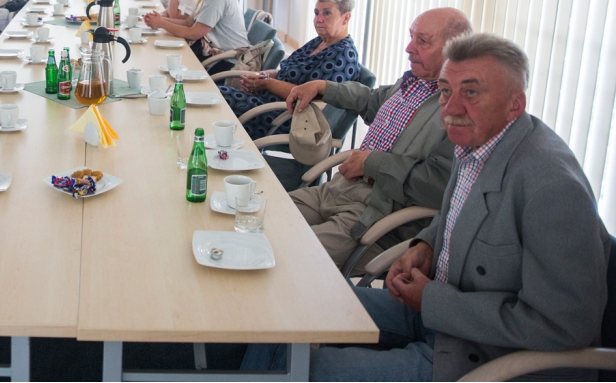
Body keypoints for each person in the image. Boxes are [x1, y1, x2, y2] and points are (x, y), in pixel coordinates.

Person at [245, 34, 611, 380]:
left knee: (302, 369)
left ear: (516, 103)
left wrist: (433, 299)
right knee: (289, 301)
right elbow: (453, 215)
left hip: (485, 355)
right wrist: (426, 245)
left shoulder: (553, 187)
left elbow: (565, 326)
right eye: (446, 91)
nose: (451, 108)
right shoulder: (478, 143)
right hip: (439, 317)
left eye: (471, 92)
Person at [284, 8, 472, 269]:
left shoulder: (458, 113)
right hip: (338, 188)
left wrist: (371, 163)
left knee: (286, 255)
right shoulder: (412, 82)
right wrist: (322, 87)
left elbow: (439, 184)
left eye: (422, 41)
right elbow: (371, 100)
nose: (409, 47)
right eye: (411, 36)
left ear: (456, 48)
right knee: (263, 219)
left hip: (373, 214)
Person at [221, 0, 360, 143]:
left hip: (285, 118)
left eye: (327, 13)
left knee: (221, 98)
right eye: (316, 13)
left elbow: (310, 98)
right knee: (217, 97)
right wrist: (264, 76)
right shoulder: (319, 42)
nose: (318, 19)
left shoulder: (343, 55)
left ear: (345, 18)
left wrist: (267, 83)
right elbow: (287, 69)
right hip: (267, 104)